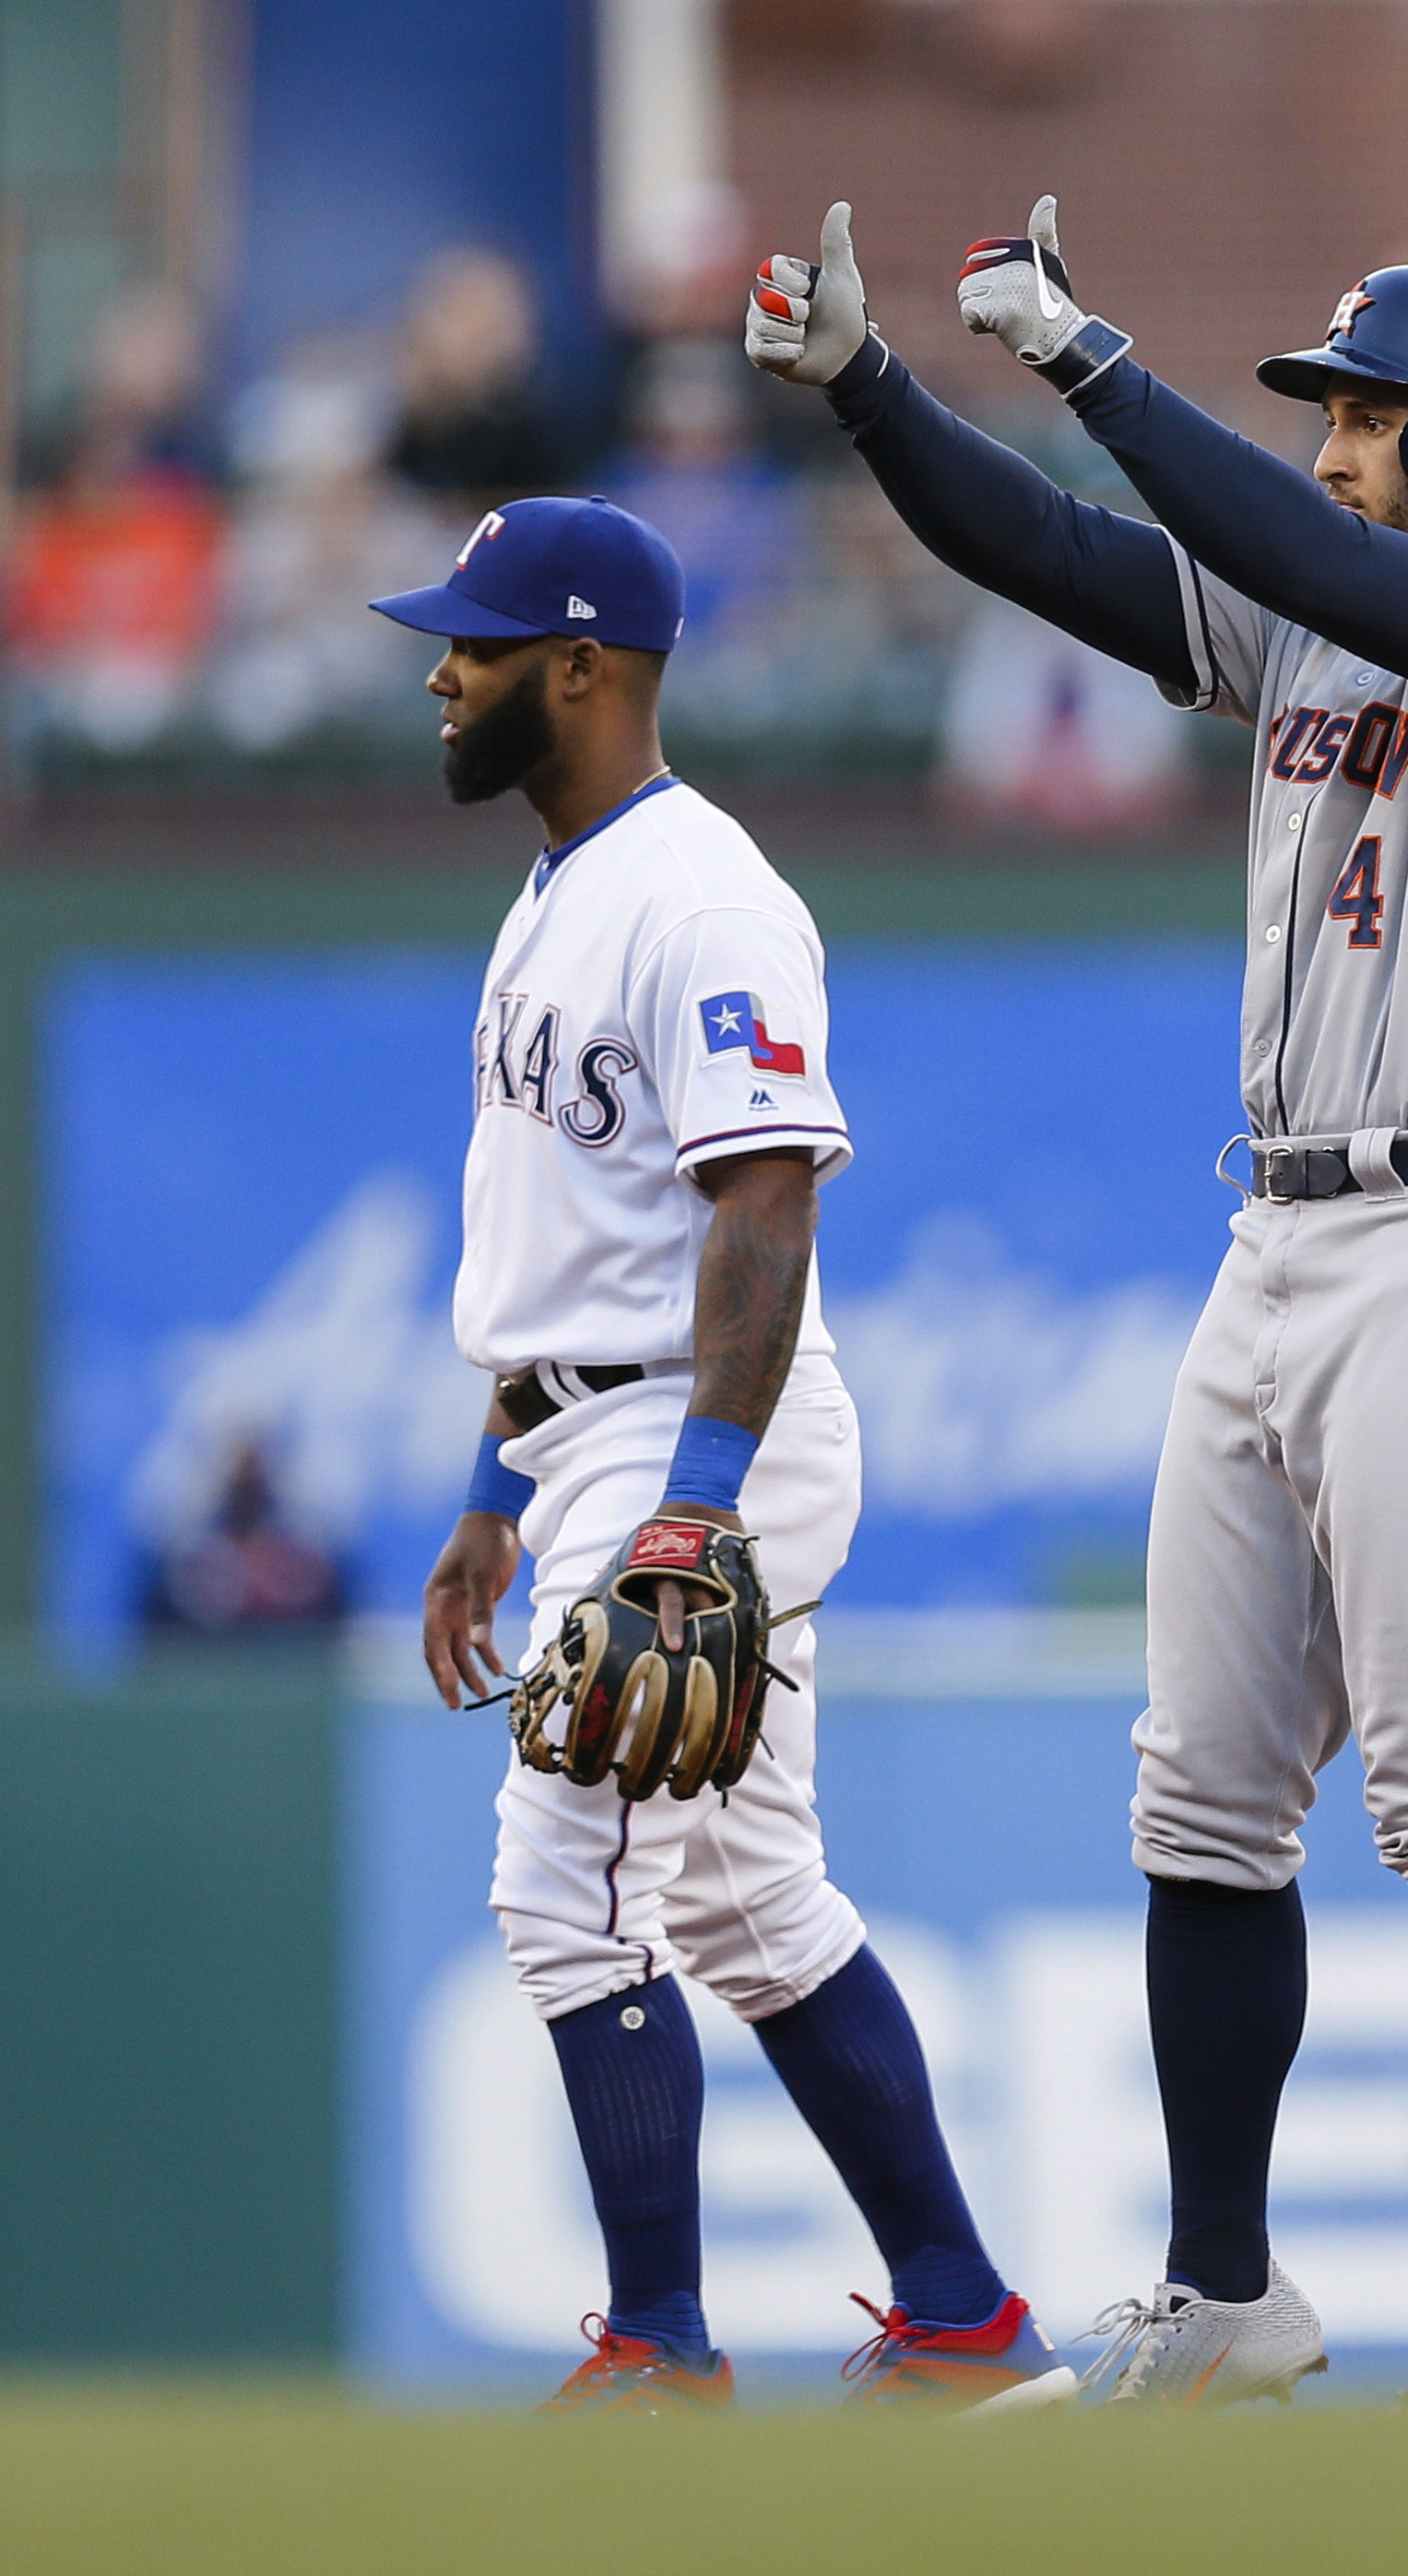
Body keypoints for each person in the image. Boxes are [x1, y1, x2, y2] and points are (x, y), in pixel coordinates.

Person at [746, 200, 1408, 2406]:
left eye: (1367, 411)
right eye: (1332, 415)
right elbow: (1068, 570)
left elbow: (1350, 576)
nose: (1336, 445)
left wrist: (1090, 362)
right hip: (1272, 1235)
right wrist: (880, 391)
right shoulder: (1327, 619)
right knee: (1202, 1799)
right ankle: (1229, 2287)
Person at [373, 496, 1071, 2416]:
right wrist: (493, 1495)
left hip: (710, 1432)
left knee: (563, 1872)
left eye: (477, 642)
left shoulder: (704, 895)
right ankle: (962, 2317)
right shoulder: (558, 886)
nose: (441, 669)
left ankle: (662, 2343)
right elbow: (568, 1260)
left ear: (583, 667)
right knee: (749, 1898)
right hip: (593, 1428)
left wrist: (691, 1501)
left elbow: (760, 1210)